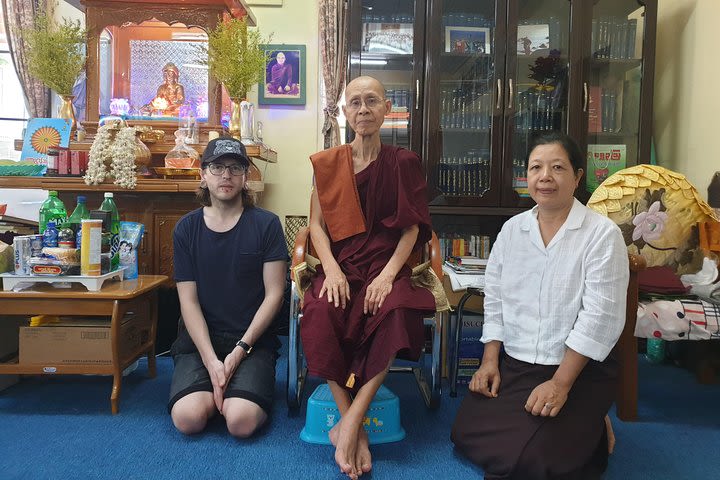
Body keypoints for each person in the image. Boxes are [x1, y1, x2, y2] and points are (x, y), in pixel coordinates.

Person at [450, 131, 629, 479]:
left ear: (577, 177)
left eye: (558, 167)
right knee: (465, 433)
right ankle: (588, 421)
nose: (545, 176)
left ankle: (590, 420)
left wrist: (560, 385)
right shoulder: (512, 231)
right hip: (521, 363)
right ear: (527, 177)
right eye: (536, 167)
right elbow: (496, 298)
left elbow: (600, 318)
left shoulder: (602, 235)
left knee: (530, 462)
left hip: (578, 369)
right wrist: (490, 361)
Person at [300, 76, 436, 479]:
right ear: (344, 112)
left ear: (386, 110)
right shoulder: (328, 164)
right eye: (354, 102)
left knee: (394, 308)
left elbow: (411, 228)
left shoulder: (403, 162)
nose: (363, 109)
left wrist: (388, 275)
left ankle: (353, 417)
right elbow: (316, 226)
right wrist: (331, 269)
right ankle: (352, 427)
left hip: (387, 264)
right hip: (341, 265)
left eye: (372, 101)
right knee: (321, 307)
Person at [168, 136, 287, 438]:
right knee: (188, 418)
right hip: (199, 342)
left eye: (235, 168)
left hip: (251, 341)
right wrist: (210, 361)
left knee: (240, 422)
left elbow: (275, 294)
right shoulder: (186, 228)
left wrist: (239, 351)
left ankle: (232, 393)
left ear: (246, 177)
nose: (226, 175)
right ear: (203, 174)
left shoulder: (267, 225)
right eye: (217, 167)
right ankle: (213, 390)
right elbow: (188, 302)